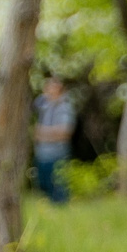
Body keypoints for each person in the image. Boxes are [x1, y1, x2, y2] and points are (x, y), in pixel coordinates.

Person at [34, 76, 75, 205]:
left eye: (51, 87)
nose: (48, 91)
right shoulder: (45, 106)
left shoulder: (65, 107)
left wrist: (42, 132)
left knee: (58, 185)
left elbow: (64, 132)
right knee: (44, 184)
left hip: (57, 153)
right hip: (43, 153)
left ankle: (61, 209)